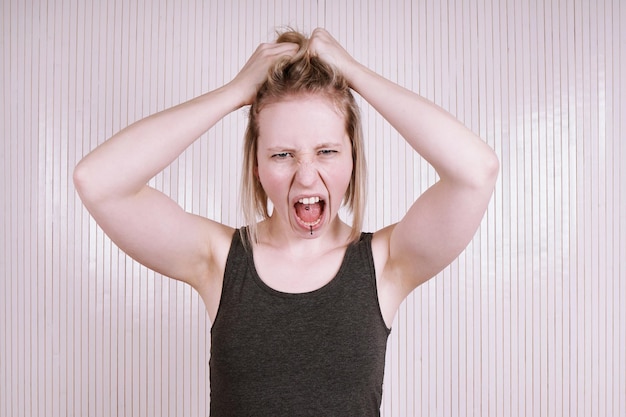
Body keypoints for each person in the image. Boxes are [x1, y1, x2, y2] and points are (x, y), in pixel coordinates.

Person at [74, 28, 498, 416]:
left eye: (327, 151)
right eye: (282, 154)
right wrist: (234, 92)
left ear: (353, 160)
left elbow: (476, 172)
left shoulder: (386, 263)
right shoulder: (220, 260)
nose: (307, 175)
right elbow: (98, 181)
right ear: (256, 165)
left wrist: (355, 74)